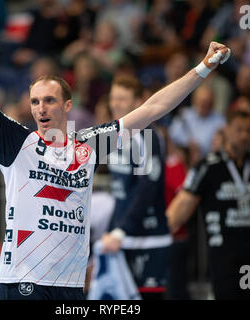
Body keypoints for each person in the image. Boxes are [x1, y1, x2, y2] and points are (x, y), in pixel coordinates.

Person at [0, 4, 231, 300]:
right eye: (35, 102)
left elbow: (153, 109)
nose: (40, 108)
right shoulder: (17, 142)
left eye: (49, 100)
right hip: (24, 281)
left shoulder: (89, 145)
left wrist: (204, 67)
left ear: (68, 105)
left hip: (71, 285)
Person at [166, 110, 250, 300]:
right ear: (226, 130)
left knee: (248, 297)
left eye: (248, 131)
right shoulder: (208, 166)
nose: (244, 136)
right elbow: (184, 202)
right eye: (239, 130)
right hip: (222, 253)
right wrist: (161, 232)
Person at [100, 75, 170, 299]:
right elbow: (122, 193)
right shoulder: (112, 135)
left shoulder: (147, 136)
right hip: (121, 238)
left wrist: (122, 230)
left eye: (122, 99)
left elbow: (146, 190)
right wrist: (113, 230)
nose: (115, 104)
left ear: (139, 102)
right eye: (113, 98)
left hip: (149, 238)